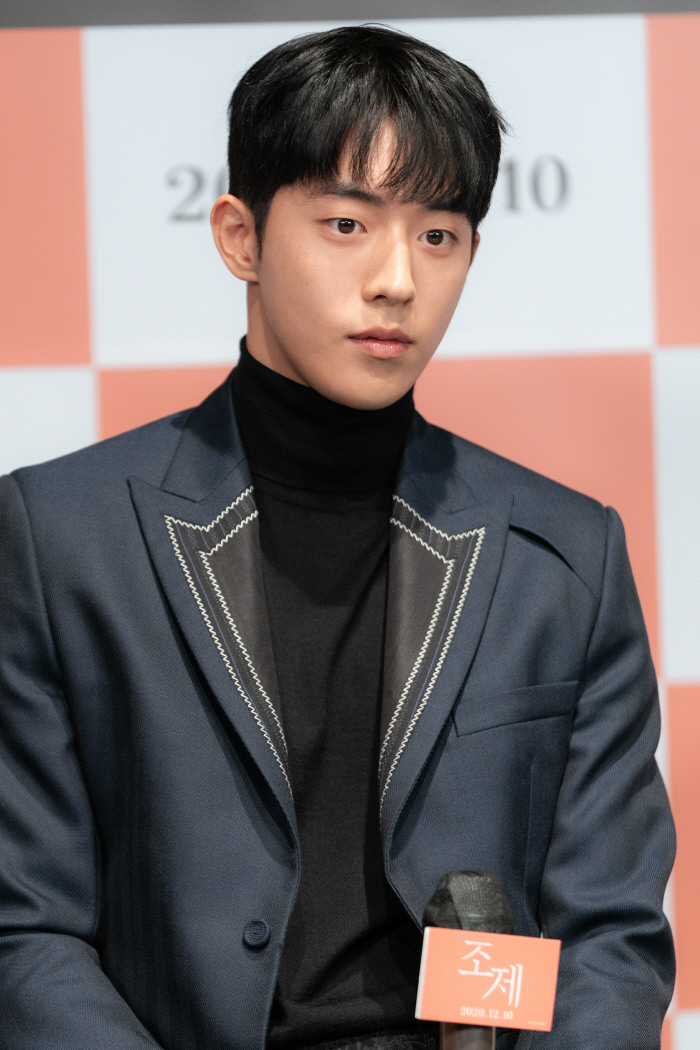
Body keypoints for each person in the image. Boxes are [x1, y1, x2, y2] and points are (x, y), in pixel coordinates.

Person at [0, 24, 674, 1050]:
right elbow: (26, 928)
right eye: (347, 224)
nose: (397, 279)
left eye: (438, 235)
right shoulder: (61, 538)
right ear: (240, 236)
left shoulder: (563, 556)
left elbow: (610, 940)